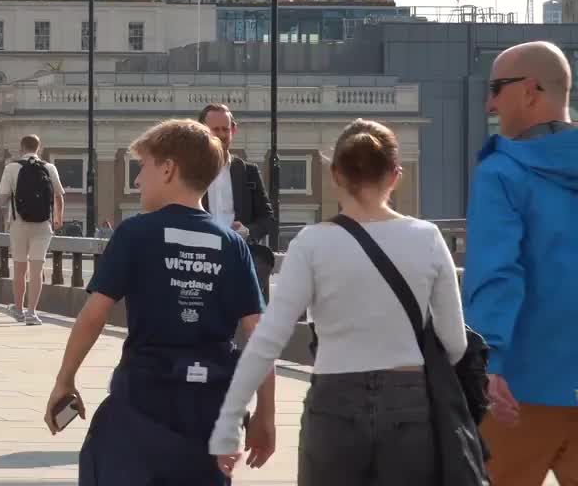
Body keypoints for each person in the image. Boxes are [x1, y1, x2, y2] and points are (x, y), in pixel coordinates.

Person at [210, 119, 466, 484]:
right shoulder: (427, 238)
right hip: (409, 404)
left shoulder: (311, 244)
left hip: (335, 401)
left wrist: (229, 421)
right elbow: (455, 344)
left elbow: (266, 341)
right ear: (395, 175)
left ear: (334, 174)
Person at [46, 119, 275, 486]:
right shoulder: (233, 246)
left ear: (168, 169)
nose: (137, 181)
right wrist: (265, 414)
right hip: (211, 407)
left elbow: (95, 314)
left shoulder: (136, 233)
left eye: (143, 168)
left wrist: (65, 379)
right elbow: (259, 336)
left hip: (144, 397)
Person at [463, 40, 578, 486]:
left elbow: (497, 273)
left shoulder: (502, 171)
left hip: (521, 390)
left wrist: (486, 362)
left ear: (530, 91)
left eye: (497, 88)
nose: (490, 102)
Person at [198, 103, 277, 300]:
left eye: (225, 129)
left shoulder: (247, 171)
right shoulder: (189, 172)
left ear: (233, 130)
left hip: (238, 257)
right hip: (200, 261)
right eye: (215, 129)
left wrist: (248, 231)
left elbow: (268, 219)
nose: (221, 134)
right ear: (201, 131)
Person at [0, 134, 64, 326]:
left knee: (20, 268)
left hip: (18, 222)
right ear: (39, 148)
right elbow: (59, 196)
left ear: (21, 148)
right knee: (37, 270)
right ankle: (32, 313)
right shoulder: (49, 168)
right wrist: (58, 218)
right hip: (43, 224)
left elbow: (3, 198)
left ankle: (18, 310)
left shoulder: (11, 168)